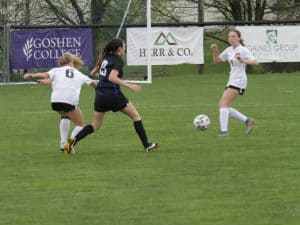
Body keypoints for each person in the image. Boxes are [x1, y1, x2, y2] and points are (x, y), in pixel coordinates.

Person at [64, 38, 159, 154]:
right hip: (113, 95)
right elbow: (112, 78)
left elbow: (92, 73)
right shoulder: (118, 60)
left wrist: (102, 76)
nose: (125, 48)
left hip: (100, 95)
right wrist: (129, 86)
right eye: (124, 46)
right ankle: (147, 145)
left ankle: (71, 143)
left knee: (95, 125)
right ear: (119, 49)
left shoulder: (104, 58)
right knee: (136, 116)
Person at [24, 53, 97, 150]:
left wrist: (31, 75)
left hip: (55, 102)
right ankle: (69, 146)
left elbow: (46, 75)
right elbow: (94, 84)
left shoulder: (56, 70)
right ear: (71, 62)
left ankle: (63, 144)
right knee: (80, 124)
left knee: (65, 115)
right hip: (69, 101)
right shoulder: (79, 74)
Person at [210, 28, 259, 136]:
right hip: (231, 79)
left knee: (223, 104)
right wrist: (215, 51)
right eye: (229, 37)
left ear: (238, 38)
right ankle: (247, 120)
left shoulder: (243, 50)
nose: (231, 38)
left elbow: (255, 62)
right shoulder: (229, 50)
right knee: (224, 106)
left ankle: (224, 131)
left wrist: (243, 60)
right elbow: (217, 61)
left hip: (239, 80)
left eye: (233, 36)